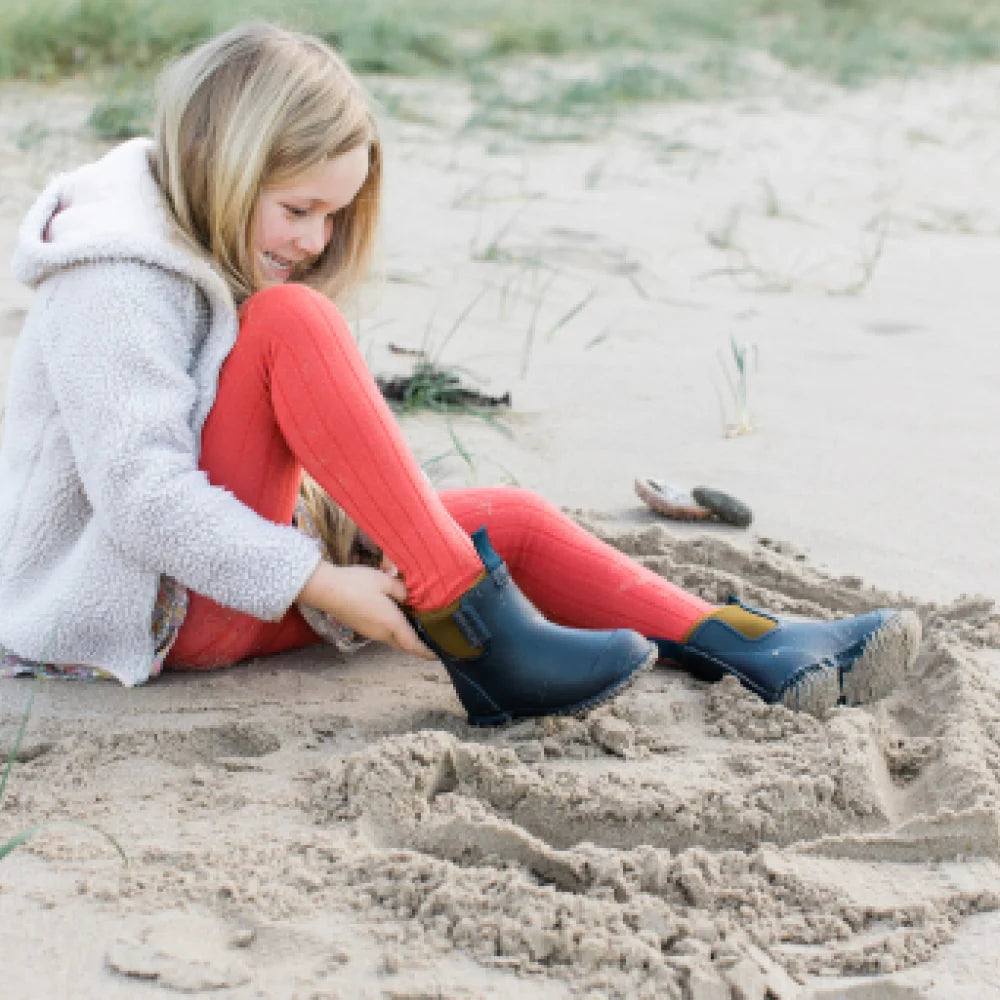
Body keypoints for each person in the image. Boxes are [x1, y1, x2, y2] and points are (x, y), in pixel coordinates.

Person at [0, 23, 920, 726]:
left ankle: (750, 646)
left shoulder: (207, 239)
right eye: (299, 209)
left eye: (335, 214)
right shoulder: (112, 276)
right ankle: (486, 642)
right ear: (223, 167)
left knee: (509, 523)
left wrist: (349, 539)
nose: (317, 240)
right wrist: (324, 585)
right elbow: (143, 499)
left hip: (231, 580)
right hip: (148, 612)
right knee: (293, 320)